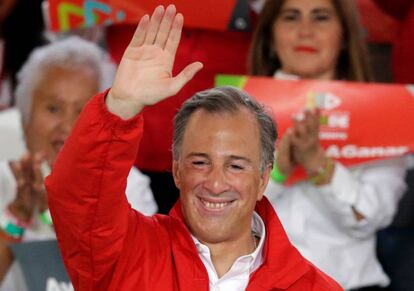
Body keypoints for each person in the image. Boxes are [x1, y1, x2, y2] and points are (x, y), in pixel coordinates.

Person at [46, 5, 342, 290]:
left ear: (263, 178)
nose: (215, 183)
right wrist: (120, 107)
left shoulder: (314, 288)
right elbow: (79, 200)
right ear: (176, 170)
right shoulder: (127, 255)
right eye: (200, 162)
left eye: (236, 166)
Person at [249, 0, 407, 290]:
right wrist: (280, 170)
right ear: (270, 37)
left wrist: (319, 166)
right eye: (291, 17)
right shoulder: (232, 108)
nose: (305, 31)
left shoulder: (383, 112)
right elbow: (218, 212)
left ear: (345, 37)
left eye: (321, 18)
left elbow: (371, 218)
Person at [0, 36, 157, 291]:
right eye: (52, 108)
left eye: (83, 110)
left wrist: (52, 214)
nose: (67, 125)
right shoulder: (3, 179)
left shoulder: (129, 186)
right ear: (25, 120)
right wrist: (17, 216)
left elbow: (131, 280)